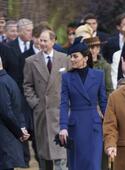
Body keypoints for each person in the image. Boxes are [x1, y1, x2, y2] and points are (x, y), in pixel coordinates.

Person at [23, 29, 70, 170]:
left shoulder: (64, 58)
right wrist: (35, 104)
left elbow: (70, 82)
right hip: (42, 114)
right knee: (44, 154)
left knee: (61, 153)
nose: (41, 43)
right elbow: (27, 85)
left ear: (53, 41)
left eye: (45, 40)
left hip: (60, 112)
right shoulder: (31, 61)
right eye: (40, 40)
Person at [59, 38, 107, 170]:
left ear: (85, 58)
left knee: (93, 164)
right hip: (75, 126)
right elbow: (63, 104)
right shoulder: (66, 77)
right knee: (77, 165)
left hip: (94, 126)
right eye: (71, 57)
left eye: (75, 56)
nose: (72, 59)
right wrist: (63, 127)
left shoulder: (98, 75)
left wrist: (110, 125)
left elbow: (103, 103)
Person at [0, 56, 30, 170]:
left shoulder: (2, 83)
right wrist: (21, 128)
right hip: (9, 139)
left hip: (5, 141)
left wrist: (19, 132)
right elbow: (18, 109)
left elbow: (6, 112)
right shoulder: (8, 80)